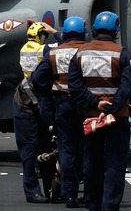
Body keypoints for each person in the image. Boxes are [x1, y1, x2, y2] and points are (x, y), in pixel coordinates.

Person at [68, 11, 131, 211]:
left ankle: (93, 203)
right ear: (116, 31)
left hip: (91, 118)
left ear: (94, 30)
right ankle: (110, 204)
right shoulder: (121, 53)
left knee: (92, 162)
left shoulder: (80, 54)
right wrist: (112, 107)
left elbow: (75, 86)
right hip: (117, 118)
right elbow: (126, 85)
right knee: (114, 163)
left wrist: (95, 104)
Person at [32, 16, 87, 208]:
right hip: (86, 104)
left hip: (62, 104)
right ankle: (89, 194)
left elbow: (37, 78)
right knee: (88, 148)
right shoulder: (89, 51)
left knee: (66, 149)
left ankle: (69, 195)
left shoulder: (54, 52)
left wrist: (51, 91)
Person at [13, 21, 57, 204]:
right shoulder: (45, 50)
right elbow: (65, 46)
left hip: (26, 96)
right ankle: (34, 192)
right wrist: (56, 31)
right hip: (32, 99)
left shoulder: (24, 48)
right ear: (43, 36)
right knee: (37, 148)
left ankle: (45, 190)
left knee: (32, 151)